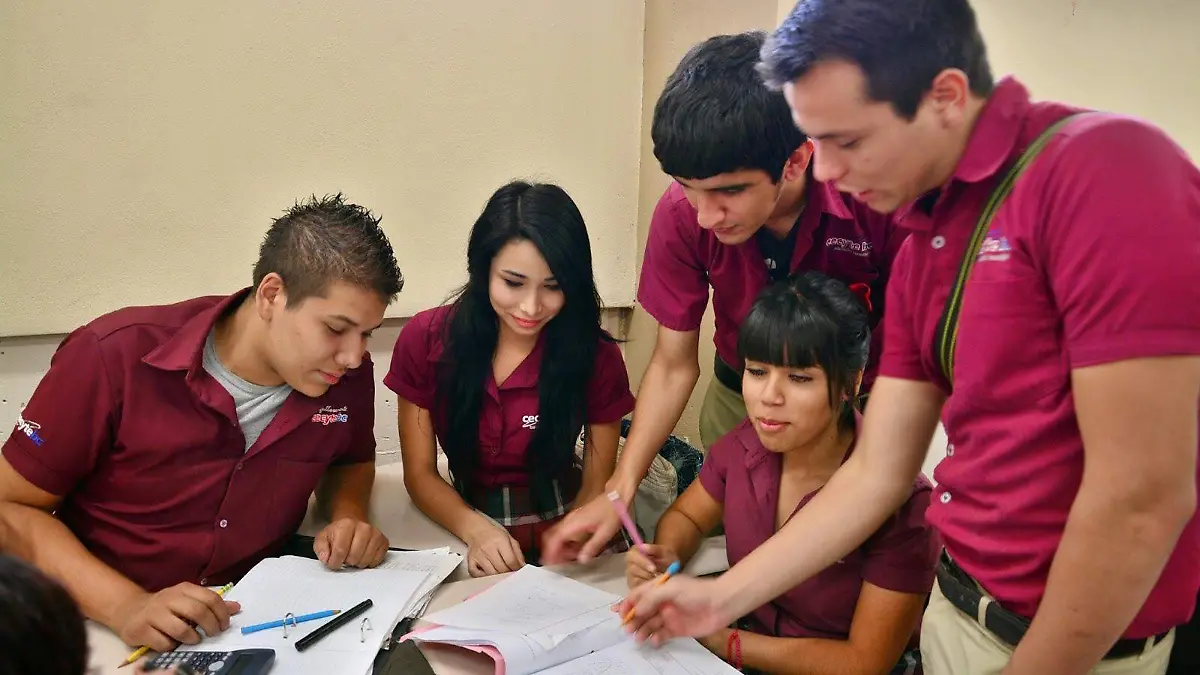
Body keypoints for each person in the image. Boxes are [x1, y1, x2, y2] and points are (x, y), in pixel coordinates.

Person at [619, 2, 1200, 674]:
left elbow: (1140, 498)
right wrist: (720, 599)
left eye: (850, 141)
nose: (828, 176)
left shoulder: (1106, 172)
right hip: (958, 610)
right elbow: (876, 471)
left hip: (1076, 645)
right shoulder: (927, 235)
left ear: (943, 97)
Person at [542, 31, 906, 565]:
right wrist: (618, 489)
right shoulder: (681, 212)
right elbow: (671, 364)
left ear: (797, 159)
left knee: (846, 566)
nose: (705, 215)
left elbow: (921, 352)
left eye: (729, 192)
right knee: (744, 546)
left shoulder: (880, 195)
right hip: (740, 391)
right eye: (688, 187)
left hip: (864, 401)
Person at [0, 194, 403, 653]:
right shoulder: (112, 356)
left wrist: (347, 514)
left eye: (366, 333)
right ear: (272, 295)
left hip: (262, 620)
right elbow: (10, 507)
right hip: (103, 626)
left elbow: (348, 461)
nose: (353, 356)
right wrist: (125, 606)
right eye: (335, 329)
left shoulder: (345, 376)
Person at [626, 272, 937, 675]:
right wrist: (666, 558)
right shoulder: (745, 446)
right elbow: (686, 516)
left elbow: (864, 662)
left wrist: (725, 641)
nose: (769, 398)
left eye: (799, 378)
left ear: (851, 382)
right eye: (757, 372)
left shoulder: (905, 504)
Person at [385, 181, 636, 577]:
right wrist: (476, 529)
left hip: (569, 518)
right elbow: (419, 475)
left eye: (553, 288)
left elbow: (595, 483)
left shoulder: (595, 353)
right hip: (465, 518)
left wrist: (574, 533)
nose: (531, 307)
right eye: (513, 283)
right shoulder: (426, 340)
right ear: (482, 270)